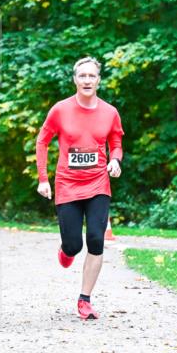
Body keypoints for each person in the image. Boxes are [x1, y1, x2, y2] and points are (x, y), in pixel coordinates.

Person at [35, 56, 124, 320]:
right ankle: (66, 251)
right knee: (73, 244)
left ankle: (84, 299)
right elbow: (43, 142)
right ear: (75, 80)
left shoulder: (110, 112)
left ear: (98, 80)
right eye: (82, 76)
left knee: (96, 240)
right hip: (68, 185)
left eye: (91, 76)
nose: (87, 80)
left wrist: (115, 160)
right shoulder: (60, 110)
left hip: (98, 183)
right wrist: (43, 178)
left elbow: (116, 141)